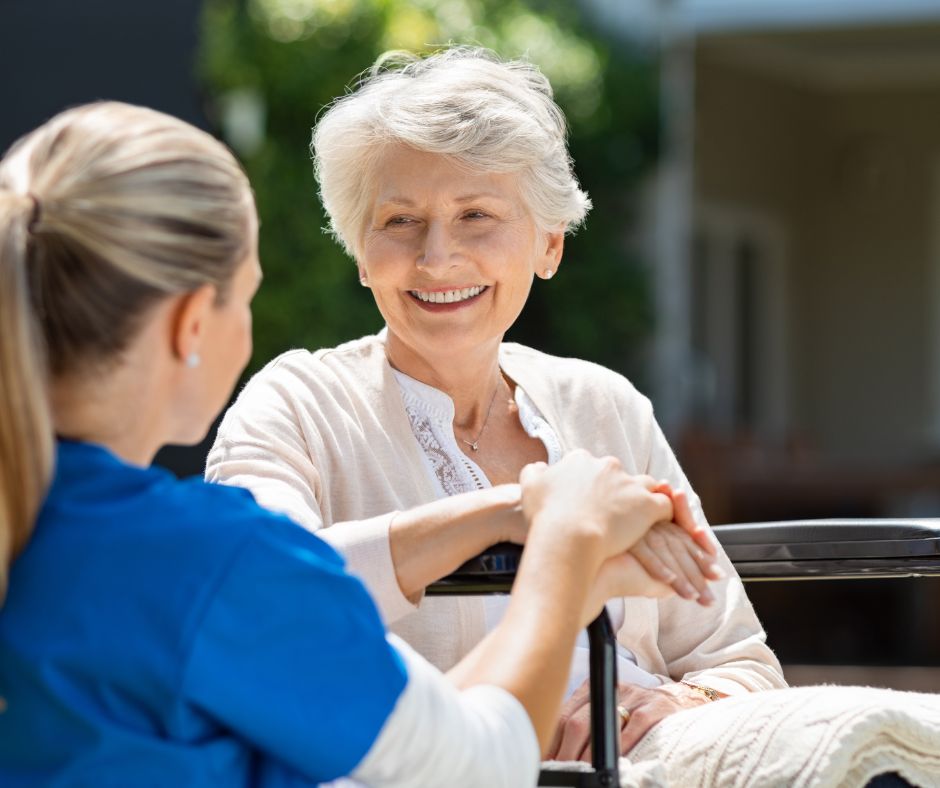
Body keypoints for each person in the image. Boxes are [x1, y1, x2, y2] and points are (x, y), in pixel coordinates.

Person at [0, 101, 712, 786]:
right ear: (192, 325)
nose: (438, 255)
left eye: (475, 216)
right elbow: (480, 767)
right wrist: (566, 542)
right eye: (246, 296)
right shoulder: (213, 562)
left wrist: (507, 515)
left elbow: (389, 766)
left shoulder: (45, 528)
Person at [205, 45, 786, 760]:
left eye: (476, 215)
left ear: (549, 244)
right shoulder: (295, 403)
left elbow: (740, 661)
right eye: (399, 221)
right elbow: (262, 598)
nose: (436, 258)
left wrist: (673, 701)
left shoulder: (605, 406)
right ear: (360, 252)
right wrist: (521, 513)